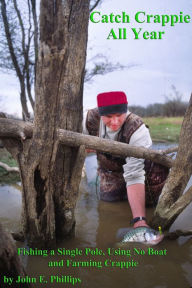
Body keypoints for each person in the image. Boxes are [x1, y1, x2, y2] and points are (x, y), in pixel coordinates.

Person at [83, 91, 169, 231]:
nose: (115, 122)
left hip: (143, 169)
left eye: (119, 116)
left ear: (126, 110)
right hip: (111, 170)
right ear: (100, 113)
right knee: (109, 204)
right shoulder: (89, 118)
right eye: (109, 117)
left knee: (150, 205)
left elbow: (134, 174)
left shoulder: (137, 129)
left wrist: (139, 220)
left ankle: (143, 206)